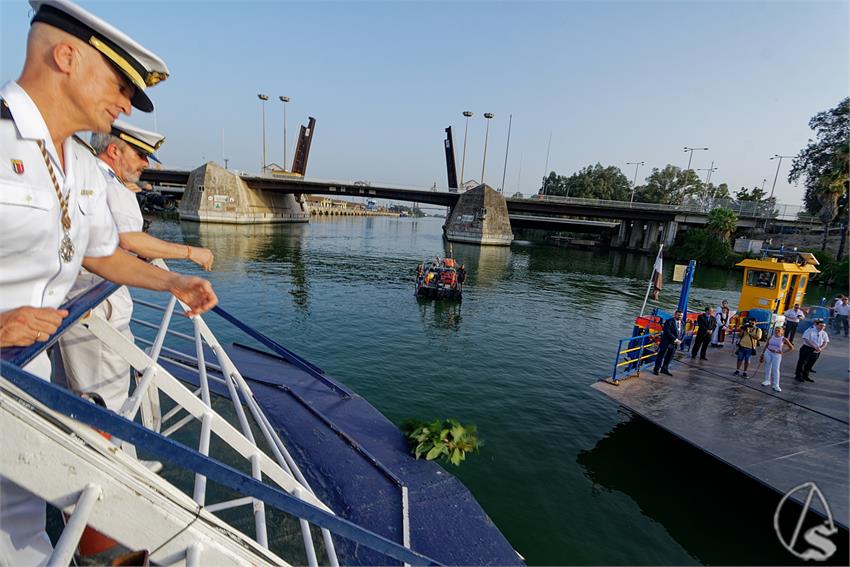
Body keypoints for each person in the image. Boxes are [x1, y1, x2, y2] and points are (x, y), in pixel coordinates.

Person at [0, 1, 215, 564]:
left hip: (28, 378)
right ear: (65, 56)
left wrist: (171, 285)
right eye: (120, 83)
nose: (124, 103)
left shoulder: (76, 163)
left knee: (22, 533)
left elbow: (101, 255)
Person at [58, 121, 214, 412]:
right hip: (97, 309)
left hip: (69, 303)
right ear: (114, 150)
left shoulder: (86, 175)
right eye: (140, 155)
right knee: (107, 402)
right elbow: (131, 241)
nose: (145, 163)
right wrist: (192, 252)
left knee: (66, 394)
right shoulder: (113, 187)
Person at [759, 326, 793, 392]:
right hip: (768, 352)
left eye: (778, 330)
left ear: (782, 331)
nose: (777, 331)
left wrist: (783, 352)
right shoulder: (771, 337)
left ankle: (776, 384)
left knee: (776, 369)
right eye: (776, 330)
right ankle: (767, 380)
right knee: (767, 366)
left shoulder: (784, 339)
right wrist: (762, 354)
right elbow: (766, 345)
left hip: (777, 354)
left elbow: (791, 347)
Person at [795, 319, 829, 383]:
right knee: (802, 363)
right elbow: (806, 339)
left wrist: (820, 348)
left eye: (824, 326)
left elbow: (825, 342)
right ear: (817, 325)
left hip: (817, 350)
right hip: (807, 348)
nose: (822, 327)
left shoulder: (824, 333)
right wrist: (815, 347)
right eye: (821, 325)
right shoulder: (810, 330)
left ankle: (805, 376)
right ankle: (798, 376)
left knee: (810, 363)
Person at [653, 310, 684, 376]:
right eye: (678, 315)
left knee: (670, 356)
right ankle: (656, 369)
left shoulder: (682, 323)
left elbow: (683, 333)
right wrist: (675, 339)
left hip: (674, 344)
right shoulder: (669, 322)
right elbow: (667, 332)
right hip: (666, 342)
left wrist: (680, 340)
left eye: (681, 315)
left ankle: (664, 369)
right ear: (675, 315)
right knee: (661, 356)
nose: (679, 316)